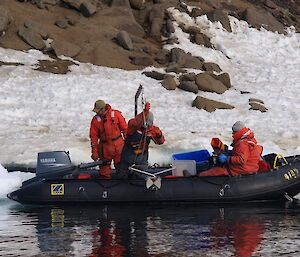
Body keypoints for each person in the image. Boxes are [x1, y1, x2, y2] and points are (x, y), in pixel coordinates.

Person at [117, 102, 165, 178]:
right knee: (122, 174)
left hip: (142, 156)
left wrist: (159, 135)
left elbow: (160, 142)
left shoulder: (152, 130)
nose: (147, 127)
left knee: (142, 175)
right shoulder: (133, 127)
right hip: (129, 154)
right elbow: (136, 123)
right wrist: (144, 113)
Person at [90, 100, 127, 179]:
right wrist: (94, 151)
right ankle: (105, 188)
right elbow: (93, 137)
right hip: (104, 149)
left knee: (122, 170)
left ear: (103, 109)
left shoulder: (116, 115)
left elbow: (125, 130)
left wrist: (129, 146)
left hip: (119, 148)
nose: (96, 113)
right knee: (104, 172)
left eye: (98, 111)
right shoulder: (95, 120)